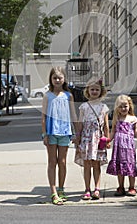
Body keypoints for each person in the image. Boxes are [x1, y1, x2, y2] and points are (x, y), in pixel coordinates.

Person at [41, 66, 77, 205]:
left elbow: (73, 115)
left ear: (64, 79)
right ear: (51, 79)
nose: (57, 80)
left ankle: (61, 189)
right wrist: (44, 134)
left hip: (65, 132)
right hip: (51, 133)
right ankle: (53, 192)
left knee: (62, 162)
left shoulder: (68, 95)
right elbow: (43, 117)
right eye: (54, 78)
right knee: (52, 162)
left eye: (60, 78)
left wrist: (76, 133)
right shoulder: (47, 96)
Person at [74, 77, 110, 200]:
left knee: (96, 164)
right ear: (87, 91)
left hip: (98, 139)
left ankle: (97, 188)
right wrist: (77, 137)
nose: (94, 92)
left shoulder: (104, 107)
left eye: (97, 89)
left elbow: (106, 125)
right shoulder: (84, 106)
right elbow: (80, 123)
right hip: (86, 138)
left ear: (101, 91)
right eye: (92, 89)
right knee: (87, 164)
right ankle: (87, 188)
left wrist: (107, 139)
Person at [106, 94, 137, 196]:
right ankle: (120, 186)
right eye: (120, 106)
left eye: (125, 106)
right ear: (117, 108)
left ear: (129, 106)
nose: (123, 108)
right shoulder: (117, 118)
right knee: (120, 166)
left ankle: (132, 187)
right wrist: (108, 141)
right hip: (118, 147)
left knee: (130, 166)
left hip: (129, 147)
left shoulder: (133, 118)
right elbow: (113, 132)